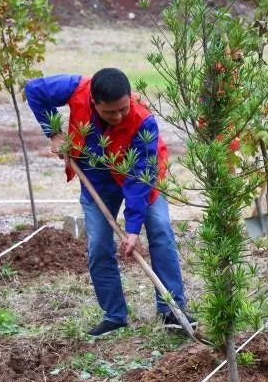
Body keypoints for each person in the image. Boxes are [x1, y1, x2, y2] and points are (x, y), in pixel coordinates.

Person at [25, 68, 195, 336]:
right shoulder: (76, 88)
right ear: (94, 101)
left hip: (139, 177)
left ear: (130, 98)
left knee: (160, 229)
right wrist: (54, 132)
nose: (117, 117)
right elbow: (34, 89)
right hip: (96, 181)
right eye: (109, 112)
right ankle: (115, 315)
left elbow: (139, 178)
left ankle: (171, 311)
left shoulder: (143, 120)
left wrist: (133, 228)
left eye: (123, 109)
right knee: (100, 245)